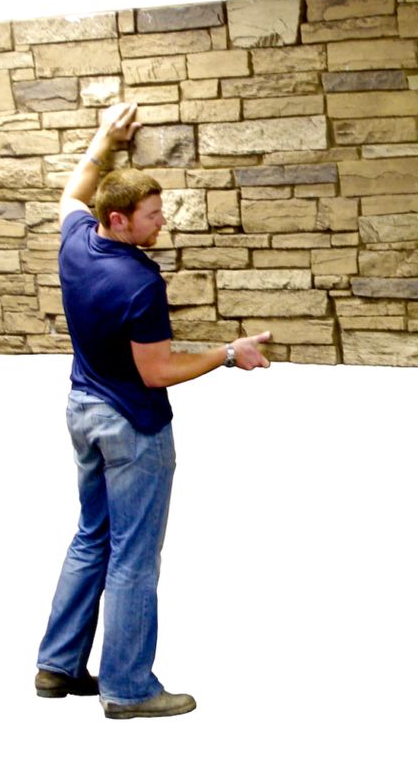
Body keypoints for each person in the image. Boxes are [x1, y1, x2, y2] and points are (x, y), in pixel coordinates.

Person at [35, 102, 271, 720]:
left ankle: (57, 666)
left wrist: (105, 139)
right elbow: (156, 370)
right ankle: (129, 689)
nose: (163, 221)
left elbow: (73, 189)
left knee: (93, 537)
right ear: (120, 219)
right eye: (153, 215)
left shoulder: (76, 237)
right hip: (131, 426)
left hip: (82, 410)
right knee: (134, 558)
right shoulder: (139, 284)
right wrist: (229, 352)